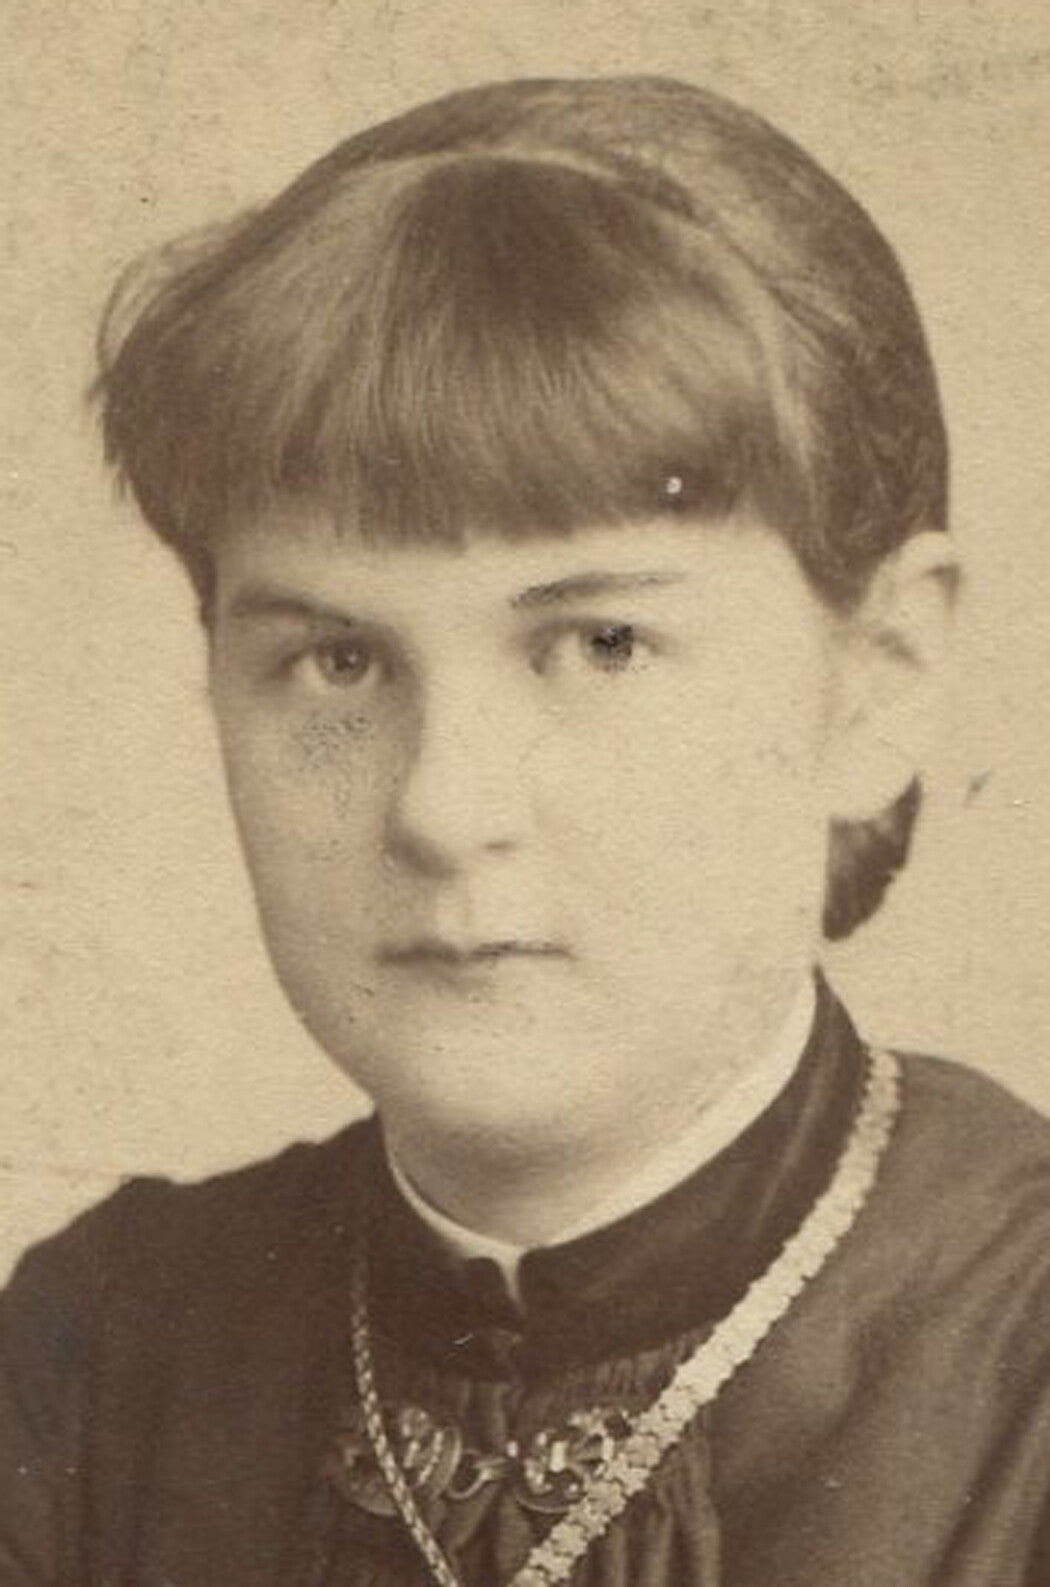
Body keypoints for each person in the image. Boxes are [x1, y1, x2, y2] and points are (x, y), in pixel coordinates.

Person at [2, 74, 1048, 1587]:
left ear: (879, 680)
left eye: (600, 643)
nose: (442, 808)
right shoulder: (104, 1359)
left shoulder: (1012, 1376)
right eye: (337, 662)